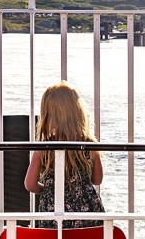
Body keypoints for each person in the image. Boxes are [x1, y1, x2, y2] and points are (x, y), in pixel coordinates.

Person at [24, 81, 105, 228]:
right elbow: (97, 179)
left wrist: (47, 189)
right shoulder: (90, 143)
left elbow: (30, 184)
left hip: (55, 214)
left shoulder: (44, 148)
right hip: (88, 216)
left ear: (48, 115)